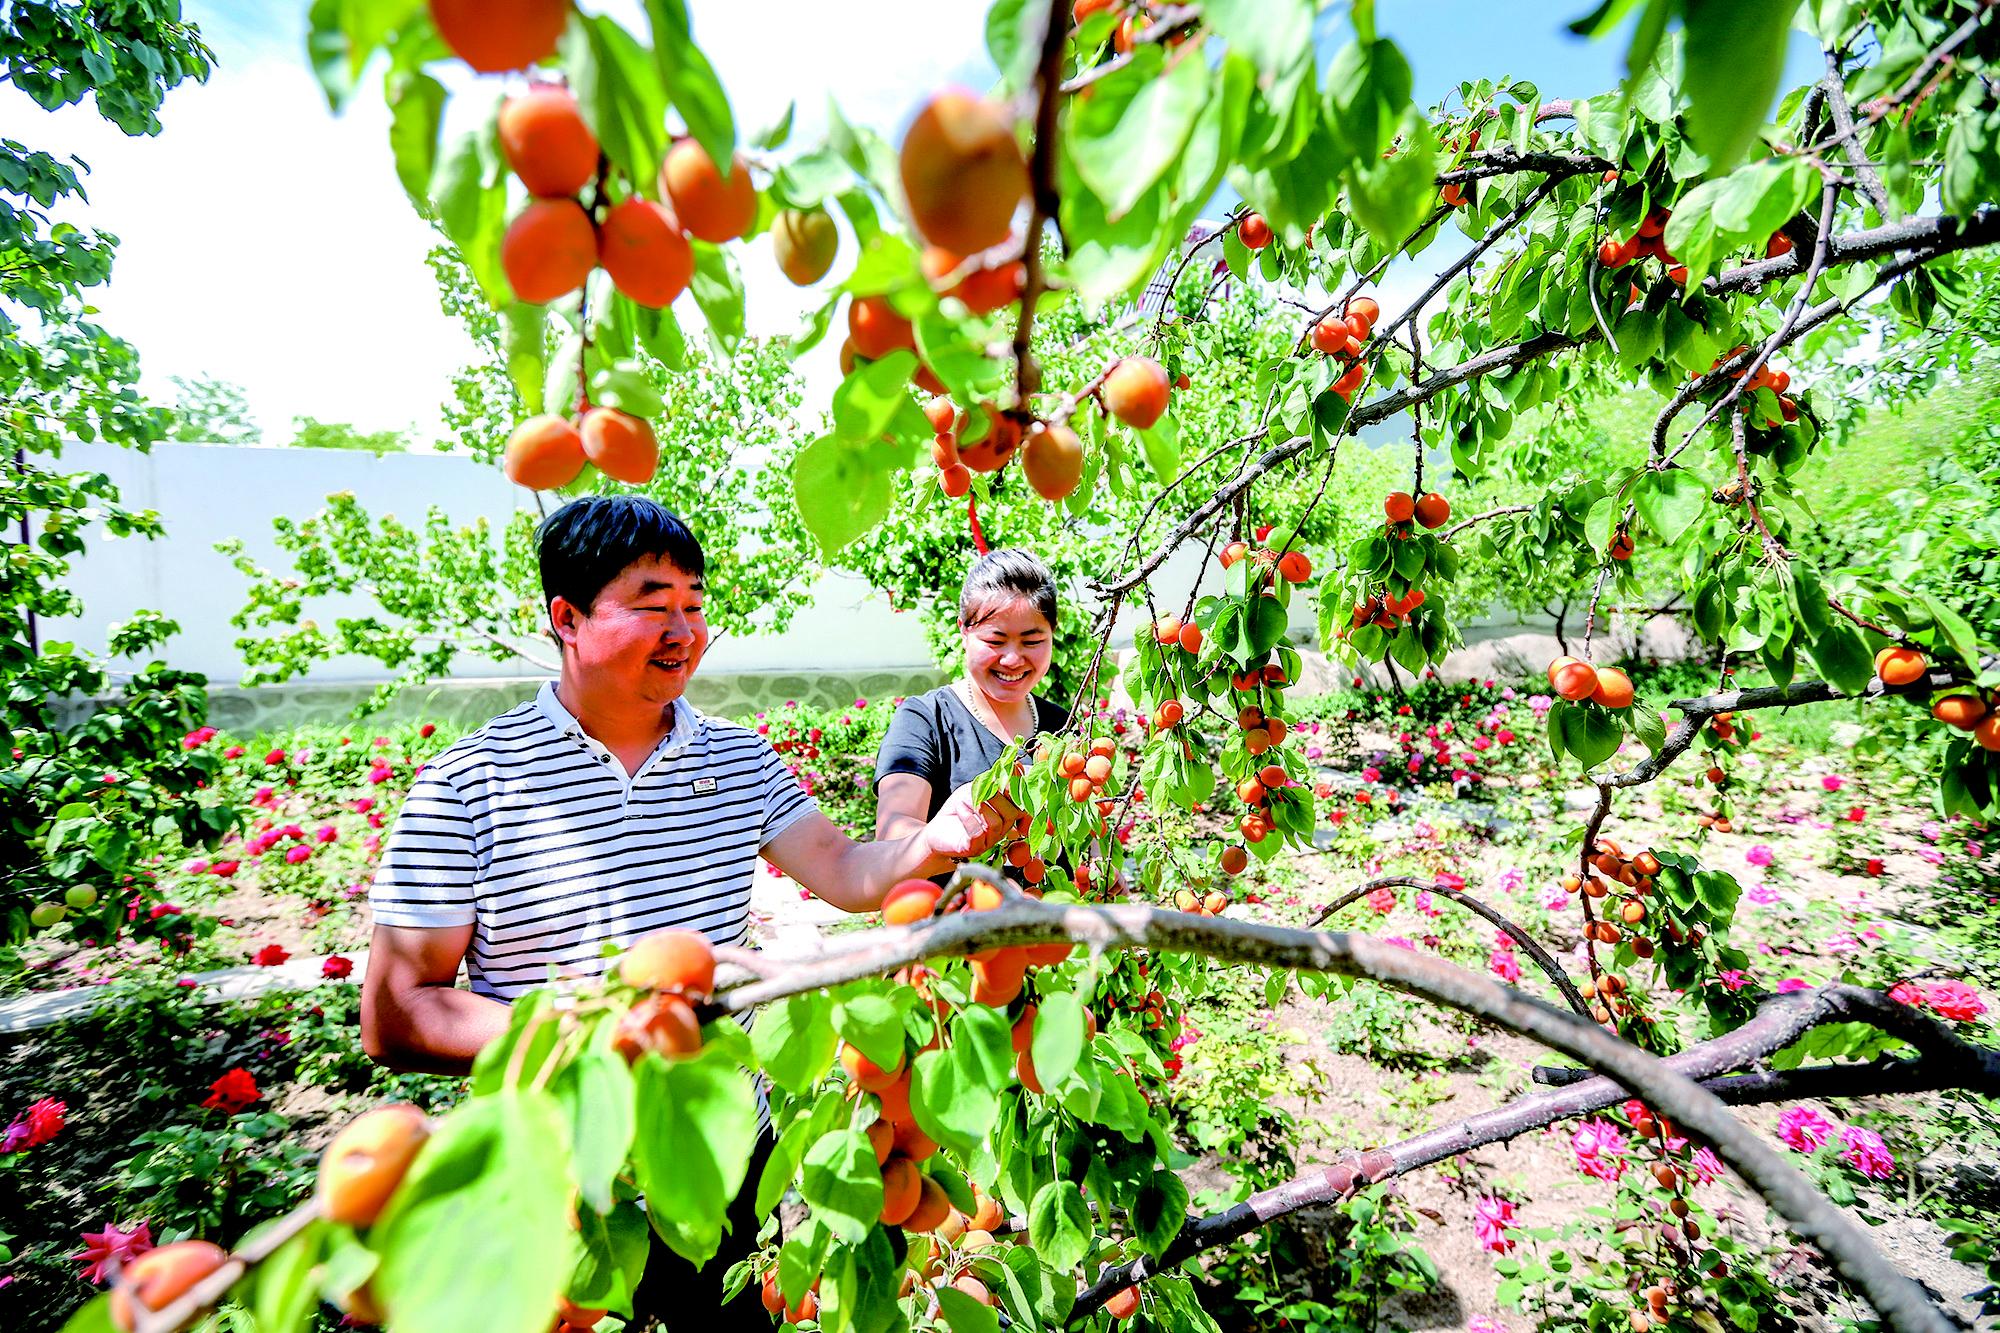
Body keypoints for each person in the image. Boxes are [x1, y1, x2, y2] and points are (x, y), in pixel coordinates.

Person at [360, 495, 1004, 1331]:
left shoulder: (736, 756)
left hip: (720, 1143)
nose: (686, 630)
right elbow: (399, 1008)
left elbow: (846, 870)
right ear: (568, 617)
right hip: (563, 1165)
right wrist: (584, 1030)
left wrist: (929, 842)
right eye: (654, 606)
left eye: (695, 606)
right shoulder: (473, 782)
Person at [875, 549, 1069, 851]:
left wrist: (1099, 866)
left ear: (1053, 634)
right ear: (964, 631)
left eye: (1032, 641)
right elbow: (893, 835)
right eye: (995, 641)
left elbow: (1086, 830)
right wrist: (954, 827)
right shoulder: (926, 719)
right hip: (958, 898)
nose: (1013, 659)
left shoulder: (1061, 725)